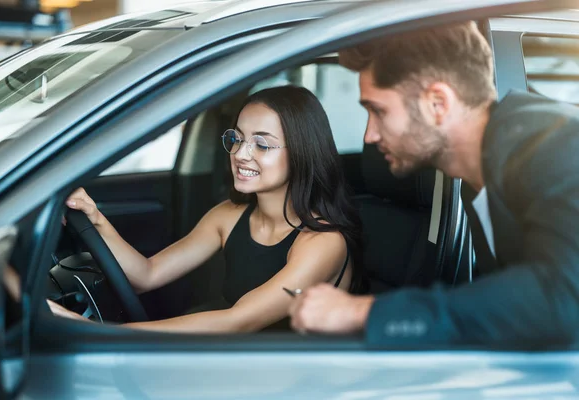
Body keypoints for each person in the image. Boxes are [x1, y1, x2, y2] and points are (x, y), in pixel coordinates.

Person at [289, 21, 579, 345]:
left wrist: (362, 312)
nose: (370, 135)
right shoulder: (476, 178)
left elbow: (564, 300)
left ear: (437, 104)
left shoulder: (559, 146)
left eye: (379, 111)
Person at [48, 85, 365, 333]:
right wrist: (94, 216)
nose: (241, 154)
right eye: (237, 139)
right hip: (229, 362)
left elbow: (238, 321)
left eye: (262, 144)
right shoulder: (228, 216)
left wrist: (101, 333)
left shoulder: (323, 241)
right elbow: (147, 274)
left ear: (301, 152)